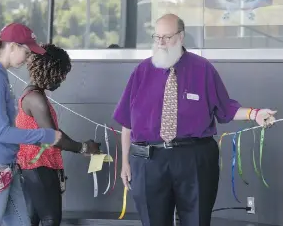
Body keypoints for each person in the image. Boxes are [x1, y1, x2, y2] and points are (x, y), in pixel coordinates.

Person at [113, 13, 277, 226]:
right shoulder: (142, 71)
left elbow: (226, 108)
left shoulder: (202, 69)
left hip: (194, 158)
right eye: (157, 37)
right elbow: (127, 121)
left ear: (181, 37)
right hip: (148, 161)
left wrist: (255, 114)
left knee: (197, 220)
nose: (161, 43)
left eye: (167, 37)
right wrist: (125, 162)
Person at [0, 23, 64, 226]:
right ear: (12, 46)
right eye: (27, 51)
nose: (29, 58)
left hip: (4, 166)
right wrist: (45, 135)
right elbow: (1, 132)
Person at [15, 43, 101, 226]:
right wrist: (84, 147)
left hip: (33, 167)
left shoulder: (32, 93)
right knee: (51, 219)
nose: (61, 80)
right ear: (50, 71)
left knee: (32, 220)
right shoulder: (35, 99)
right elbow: (53, 136)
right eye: (61, 74)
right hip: (39, 167)